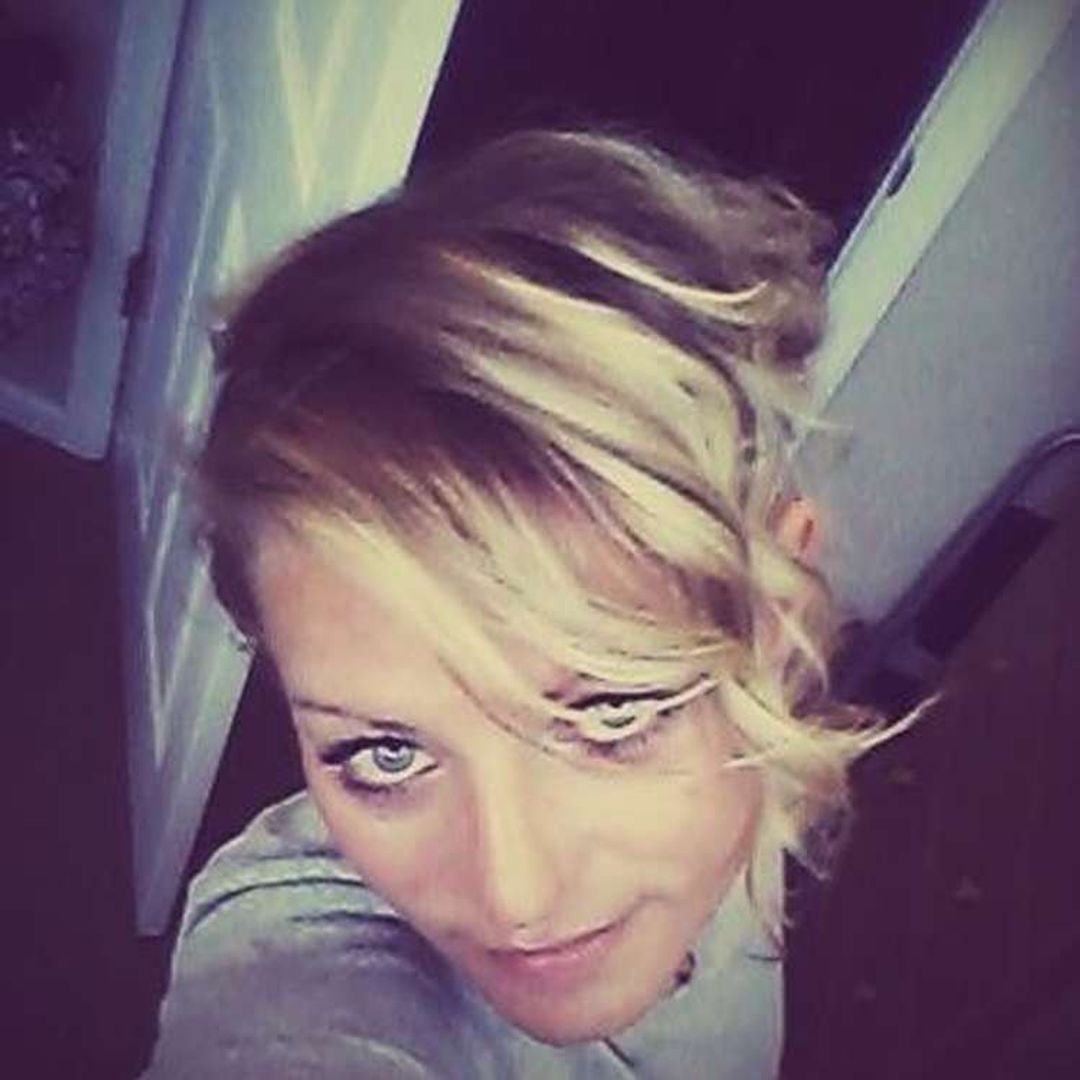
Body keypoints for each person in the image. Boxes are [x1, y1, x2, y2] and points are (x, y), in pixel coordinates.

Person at [144, 128, 904, 1078]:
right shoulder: (295, 955)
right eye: (386, 753)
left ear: (777, 627)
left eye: (613, 712)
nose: (516, 895)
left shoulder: (753, 788)